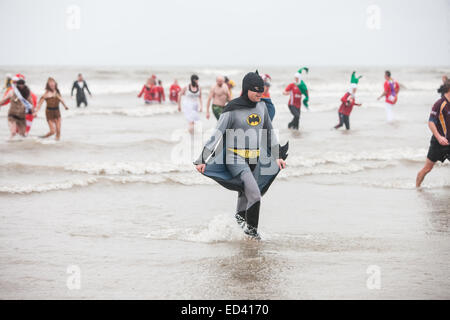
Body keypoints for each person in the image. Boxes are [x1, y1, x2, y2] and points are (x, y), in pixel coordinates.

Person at [194, 71, 288, 240]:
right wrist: (202, 158)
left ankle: (238, 233)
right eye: (256, 91)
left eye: (262, 90)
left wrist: (277, 156)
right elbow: (217, 135)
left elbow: (269, 133)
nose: (260, 94)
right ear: (246, 89)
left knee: (245, 196)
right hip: (235, 158)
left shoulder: (262, 106)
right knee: (255, 195)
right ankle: (252, 236)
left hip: (254, 159)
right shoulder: (232, 109)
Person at [416, 80, 450, 187]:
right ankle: (417, 189)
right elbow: (431, 122)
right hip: (438, 142)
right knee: (427, 169)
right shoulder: (440, 103)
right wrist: (439, 137)